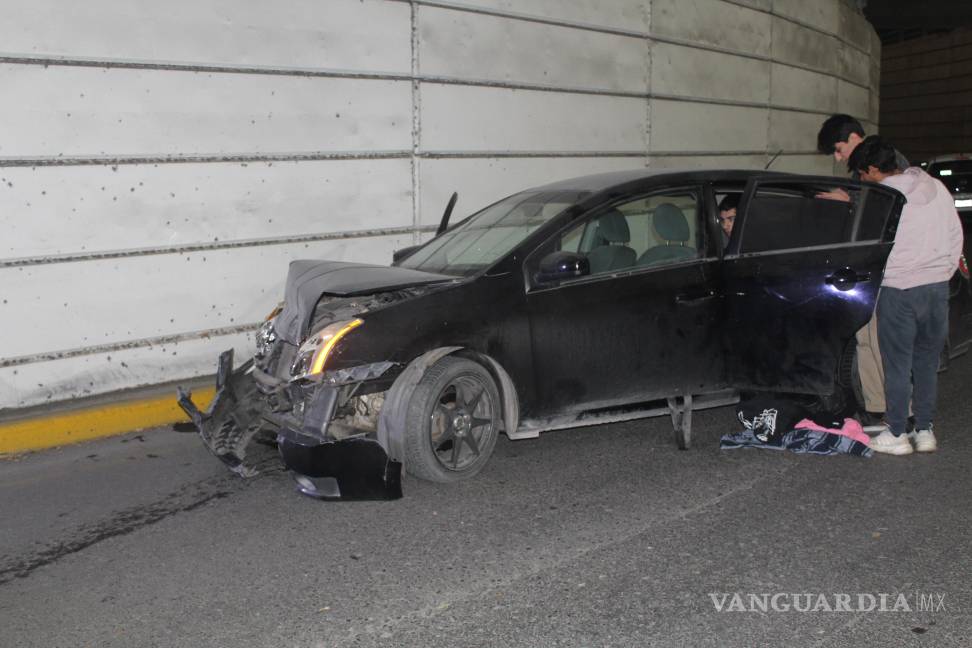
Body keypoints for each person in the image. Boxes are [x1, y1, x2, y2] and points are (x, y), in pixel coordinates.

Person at [847, 136, 963, 455]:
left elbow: (873, 248)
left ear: (873, 169)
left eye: (862, 173)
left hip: (898, 290)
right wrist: (942, 273)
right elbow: (956, 235)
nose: (861, 179)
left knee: (897, 365)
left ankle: (897, 432)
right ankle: (925, 431)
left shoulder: (885, 198)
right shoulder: (936, 188)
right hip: (936, 289)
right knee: (926, 364)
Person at [815, 115, 910, 426]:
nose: (837, 157)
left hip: (890, 270)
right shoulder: (857, 172)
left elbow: (892, 212)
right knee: (866, 339)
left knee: (886, 341)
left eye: (839, 149)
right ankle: (878, 408)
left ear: (856, 137)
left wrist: (849, 201)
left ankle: (903, 411)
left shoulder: (889, 161)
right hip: (864, 271)